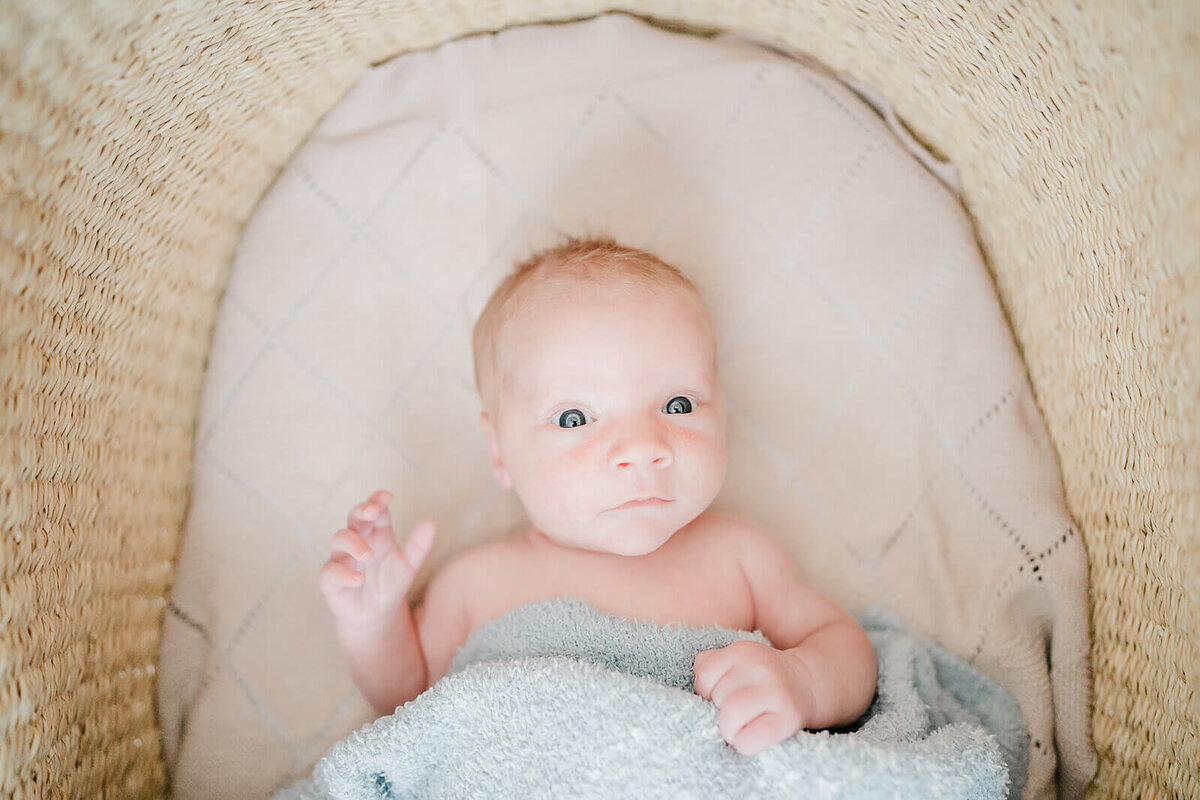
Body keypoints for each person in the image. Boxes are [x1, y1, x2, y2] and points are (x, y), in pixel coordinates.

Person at [318, 237, 877, 756]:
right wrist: (373, 623)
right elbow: (408, 704)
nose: (641, 448)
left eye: (678, 405)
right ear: (499, 451)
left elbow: (844, 649)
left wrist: (801, 682)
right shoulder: (474, 584)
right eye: (574, 417)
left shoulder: (740, 555)